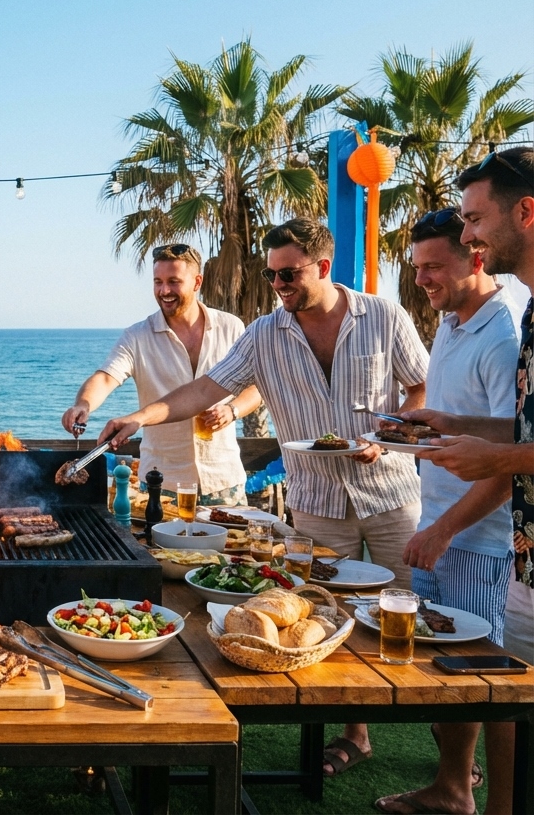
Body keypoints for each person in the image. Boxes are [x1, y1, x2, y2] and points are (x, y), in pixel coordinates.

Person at [99, 218, 428, 776]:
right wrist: (138, 415)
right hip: (316, 502)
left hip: (392, 490)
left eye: (289, 273)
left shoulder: (384, 315)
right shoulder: (265, 334)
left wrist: (391, 433)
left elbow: (421, 383)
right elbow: (203, 391)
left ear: (323, 267)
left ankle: (452, 763)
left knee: (411, 611)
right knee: (319, 616)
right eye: (272, 274)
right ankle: (355, 735)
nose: (278, 284)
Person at [392, 147, 534, 815]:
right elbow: (505, 431)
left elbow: (512, 459)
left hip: (480, 537)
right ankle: (453, 787)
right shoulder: (454, 322)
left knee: (492, 686)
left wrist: (447, 527)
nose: (423, 279)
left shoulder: (505, 333)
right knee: (452, 676)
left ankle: (491, 802)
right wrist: (440, 423)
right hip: (451, 526)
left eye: (434, 266)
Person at [60, 243, 262, 505]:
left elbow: (255, 388)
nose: (164, 291)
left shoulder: (231, 326)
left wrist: (232, 410)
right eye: (158, 282)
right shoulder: (137, 336)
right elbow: (106, 377)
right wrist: (83, 404)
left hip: (224, 481)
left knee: (234, 547)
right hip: (161, 484)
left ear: (197, 281)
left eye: (173, 281)